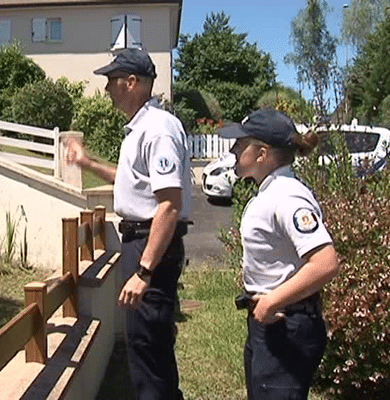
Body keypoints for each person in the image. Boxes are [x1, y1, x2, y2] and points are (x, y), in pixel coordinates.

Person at [65, 48, 191, 400]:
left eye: (111, 81)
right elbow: (131, 180)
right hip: (143, 242)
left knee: (148, 352)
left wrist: (144, 271)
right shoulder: (142, 128)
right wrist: (87, 162)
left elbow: (168, 204)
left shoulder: (157, 130)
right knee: (148, 347)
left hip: (150, 245)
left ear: (132, 82)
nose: (107, 90)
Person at [219, 109, 340, 400]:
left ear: (262, 153)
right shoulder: (271, 192)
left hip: (285, 325)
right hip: (273, 323)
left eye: (240, 143)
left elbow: (325, 263)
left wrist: (271, 300)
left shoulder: (286, 196)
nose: (233, 149)